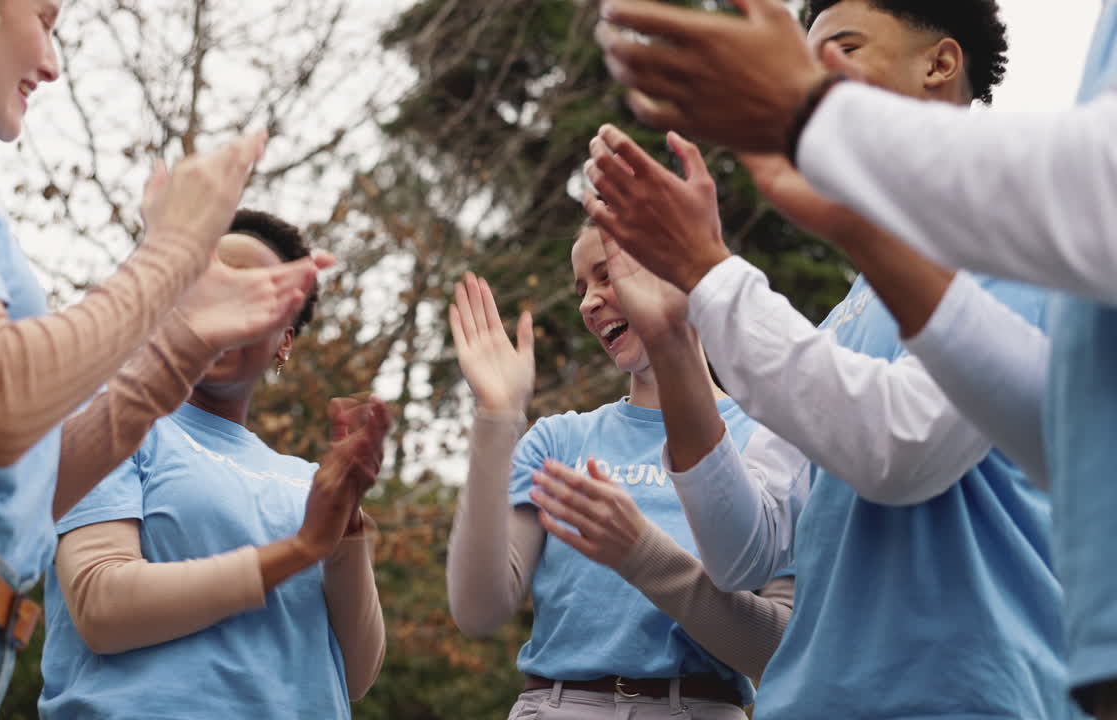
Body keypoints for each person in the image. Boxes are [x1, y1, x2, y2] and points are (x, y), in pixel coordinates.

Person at [599, 0, 1117, 714]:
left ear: (939, 63)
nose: (804, 81)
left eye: (841, 50)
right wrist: (674, 344)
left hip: (970, 699)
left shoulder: (1017, 250)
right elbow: (743, 550)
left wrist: (713, 272)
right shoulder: (849, 312)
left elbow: (900, 449)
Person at [0, 2, 329, 716]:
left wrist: (182, 347)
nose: (53, 62)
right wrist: (167, 259)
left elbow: (27, 477)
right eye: (43, 19)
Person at [39, 210, 389, 720]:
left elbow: (355, 675)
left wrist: (345, 530)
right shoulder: (113, 421)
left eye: (254, 295)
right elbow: (101, 608)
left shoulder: (306, 480)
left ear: (284, 341)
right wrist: (300, 548)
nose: (225, 307)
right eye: (205, 286)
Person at [446, 220, 794, 720]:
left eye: (607, 276)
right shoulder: (558, 439)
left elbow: (779, 647)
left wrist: (641, 555)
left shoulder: (771, 441)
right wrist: (497, 416)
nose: (588, 302)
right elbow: (477, 611)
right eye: (581, 288)